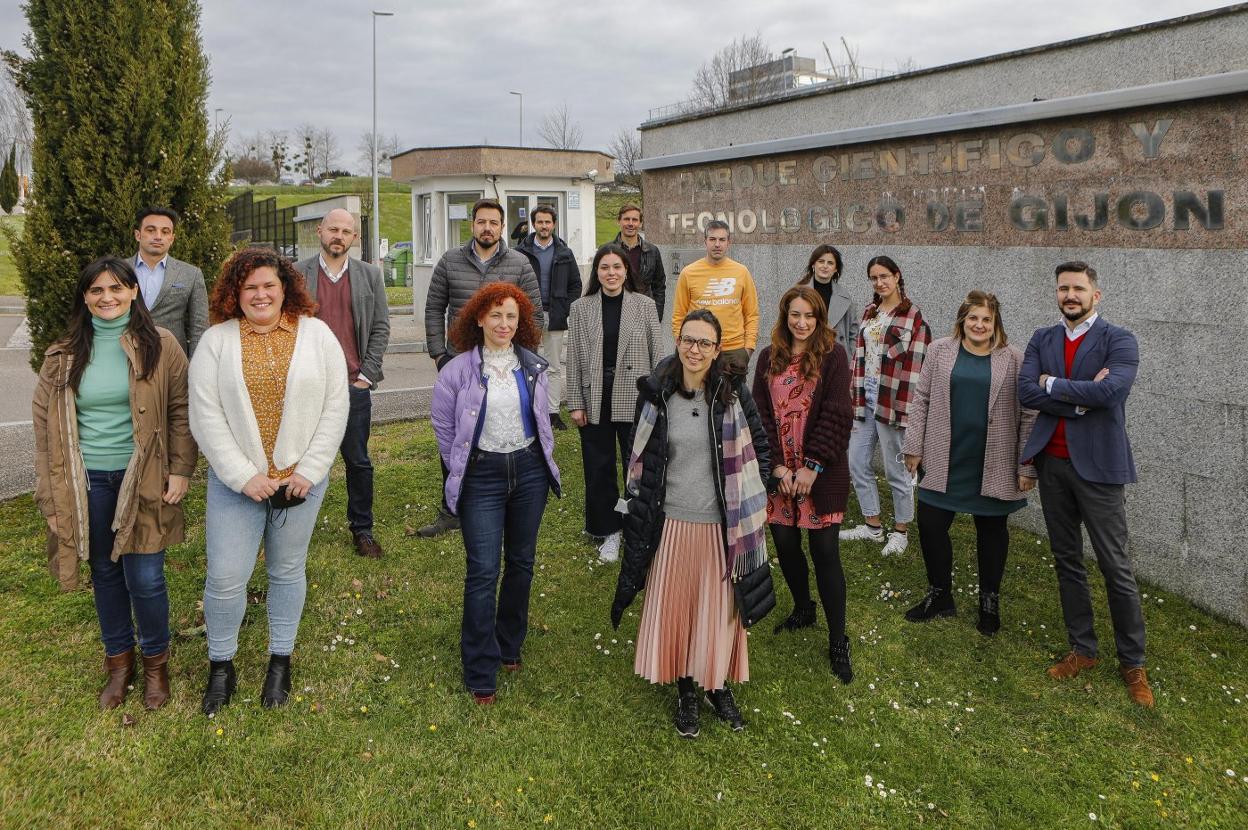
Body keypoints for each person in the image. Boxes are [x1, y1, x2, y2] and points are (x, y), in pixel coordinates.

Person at [32, 256, 196, 711]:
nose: (107, 297)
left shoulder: (161, 345)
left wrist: (180, 469)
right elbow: (44, 430)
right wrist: (50, 492)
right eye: (97, 290)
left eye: (116, 288)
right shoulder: (62, 354)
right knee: (104, 573)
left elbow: (182, 410)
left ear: (133, 292)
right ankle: (118, 664)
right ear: (85, 298)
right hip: (87, 483)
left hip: (142, 478)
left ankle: (155, 665)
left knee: (145, 577)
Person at [189, 248, 349, 714]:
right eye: (249, 287)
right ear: (234, 294)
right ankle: (222, 665)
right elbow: (206, 414)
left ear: (285, 289)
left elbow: (335, 407)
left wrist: (310, 470)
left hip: (301, 482)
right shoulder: (217, 341)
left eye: (268, 286)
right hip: (235, 483)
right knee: (224, 577)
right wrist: (243, 476)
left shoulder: (317, 336)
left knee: (286, 570)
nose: (260, 294)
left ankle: (280, 660)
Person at [612, 309, 772, 739]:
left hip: (723, 526)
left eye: (704, 342)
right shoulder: (657, 393)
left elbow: (759, 445)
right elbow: (638, 455)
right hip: (673, 524)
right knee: (681, 608)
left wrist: (760, 496)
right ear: (677, 341)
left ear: (718, 350)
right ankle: (686, 688)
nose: (695, 349)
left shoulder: (732, 395)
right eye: (688, 340)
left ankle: (716, 683)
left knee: (719, 612)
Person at [1017, 262, 1152, 707]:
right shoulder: (1043, 338)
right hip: (1052, 466)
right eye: (1063, 288)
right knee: (1066, 559)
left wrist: (1053, 385)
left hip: (1099, 469)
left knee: (1116, 565)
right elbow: (1025, 392)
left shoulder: (1119, 339)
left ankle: (1133, 662)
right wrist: (1078, 400)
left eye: (1078, 288)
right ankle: (1084, 649)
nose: (1070, 295)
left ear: (1097, 294)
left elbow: (1112, 393)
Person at [430, 283, 561, 705]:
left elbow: (541, 422)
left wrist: (542, 461)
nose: (504, 324)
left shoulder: (533, 366)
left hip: (528, 473)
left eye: (512, 317)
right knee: (483, 571)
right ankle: (480, 665)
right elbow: (445, 430)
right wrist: (461, 472)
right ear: (479, 319)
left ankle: (508, 644)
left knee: (521, 562)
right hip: (481, 477)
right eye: (496, 315)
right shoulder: (456, 371)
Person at [901, 291, 1037, 635]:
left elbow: (1029, 414)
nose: (979, 325)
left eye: (986, 319)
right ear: (963, 319)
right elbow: (922, 399)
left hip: (992, 461)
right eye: (973, 318)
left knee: (991, 532)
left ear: (996, 324)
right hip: (945, 455)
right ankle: (940, 595)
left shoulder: (1015, 359)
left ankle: (989, 603)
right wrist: (913, 447)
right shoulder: (940, 351)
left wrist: (1026, 465)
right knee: (931, 525)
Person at [419, 198, 545, 538]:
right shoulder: (450, 261)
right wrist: (438, 354)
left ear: (502, 227)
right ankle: (452, 508)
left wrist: (524, 359)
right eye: (481, 222)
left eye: (493, 222)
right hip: (461, 365)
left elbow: (534, 313)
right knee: (456, 435)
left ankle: (498, 498)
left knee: (497, 435)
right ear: (472, 225)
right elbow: (434, 309)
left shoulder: (519, 263)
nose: (487, 227)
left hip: (505, 365)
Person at [752, 286, 855, 682]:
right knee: (786, 544)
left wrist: (811, 468)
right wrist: (778, 469)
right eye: (795, 314)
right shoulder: (768, 357)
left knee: (825, 550)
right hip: (781, 472)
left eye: (809, 315)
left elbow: (837, 414)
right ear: (784, 316)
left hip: (820, 472)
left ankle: (837, 639)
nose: (802, 322)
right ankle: (802, 607)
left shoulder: (833, 356)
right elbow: (758, 415)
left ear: (820, 318)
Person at [295, 208, 391, 559]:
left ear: (354, 237)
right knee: (297, 459)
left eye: (345, 231)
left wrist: (367, 375)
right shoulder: (295, 274)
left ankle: (362, 529)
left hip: (353, 386)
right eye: (332, 229)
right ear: (320, 231)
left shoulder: (370, 276)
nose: (338, 235)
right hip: (307, 387)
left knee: (358, 461)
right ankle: (293, 530)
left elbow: (380, 327)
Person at [565, 244, 662, 563]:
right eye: (604, 267)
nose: (611, 273)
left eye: (617, 267)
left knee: (637, 469)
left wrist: (658, 400)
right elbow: (575, 360)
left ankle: (637, 525)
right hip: (595, 399)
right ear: (596, 272)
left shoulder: (645, 306)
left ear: (626, 271)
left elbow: (658, 357)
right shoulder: (581, 308)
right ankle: (610, 530)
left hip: (636, 398)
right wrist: (576, 402)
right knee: (600, 469)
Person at [839, 255, 931, 556]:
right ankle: (873, 526)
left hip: (893, 402)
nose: (880, 283)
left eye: (884, 276)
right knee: (856, 462)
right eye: (874, 278)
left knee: (897, 471)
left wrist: (908, 413)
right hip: (864, 399)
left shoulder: (914, 318)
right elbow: (858, 358)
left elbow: (916, 371)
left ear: (897, 276)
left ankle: (901, 530)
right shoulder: (871, 312)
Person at [516, 204, 583, 431]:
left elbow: (576, 285)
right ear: (533, 224)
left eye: (548, 222)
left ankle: (553, 412)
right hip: (528, 316)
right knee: (527, 365)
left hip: (555, 316)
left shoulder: (564, 253)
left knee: (553, 367)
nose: (544, 226)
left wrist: (565, 309)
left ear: (553, 224)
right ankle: (531, 410)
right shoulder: (521, 252)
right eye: (540, 222)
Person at [669, 220, 759, 376]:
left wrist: (748, 349)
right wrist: (684, 346)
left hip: (733, 351)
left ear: (728, 243)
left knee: (732, 399)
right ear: (705, 241)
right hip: (699, 350)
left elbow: (751, 314)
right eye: (712, 239)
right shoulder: (688, 273)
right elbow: (679, 316)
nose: (717, 244)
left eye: (722, 240)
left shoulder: (741, 272)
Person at [132, 207, 209, 356]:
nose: (158, 236)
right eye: (151, 230)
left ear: (172, 238)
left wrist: (195, 366)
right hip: (125, 355)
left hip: (172, 359)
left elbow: (199, 327)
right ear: (138, 235)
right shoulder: (118, 271)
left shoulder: (191, 274)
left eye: (165, 232)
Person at [611, 202, 667, 320]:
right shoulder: (608, 250)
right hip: (615, 312)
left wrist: (657, 316)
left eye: (635, 220)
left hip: (644, 314)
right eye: (626, 219)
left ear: (640, 223)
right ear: (619, 221)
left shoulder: (652, 251)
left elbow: (659, 286)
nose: (630, 224)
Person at [796, 244, 857, 351]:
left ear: (835, 269)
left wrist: (851, 359)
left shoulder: (845, 297)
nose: (825, 266)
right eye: (821, 261)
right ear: (813, 264)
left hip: (837, 356)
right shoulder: (798, 293)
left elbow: (854, 331)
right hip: (807, 352)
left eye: (830, 263)